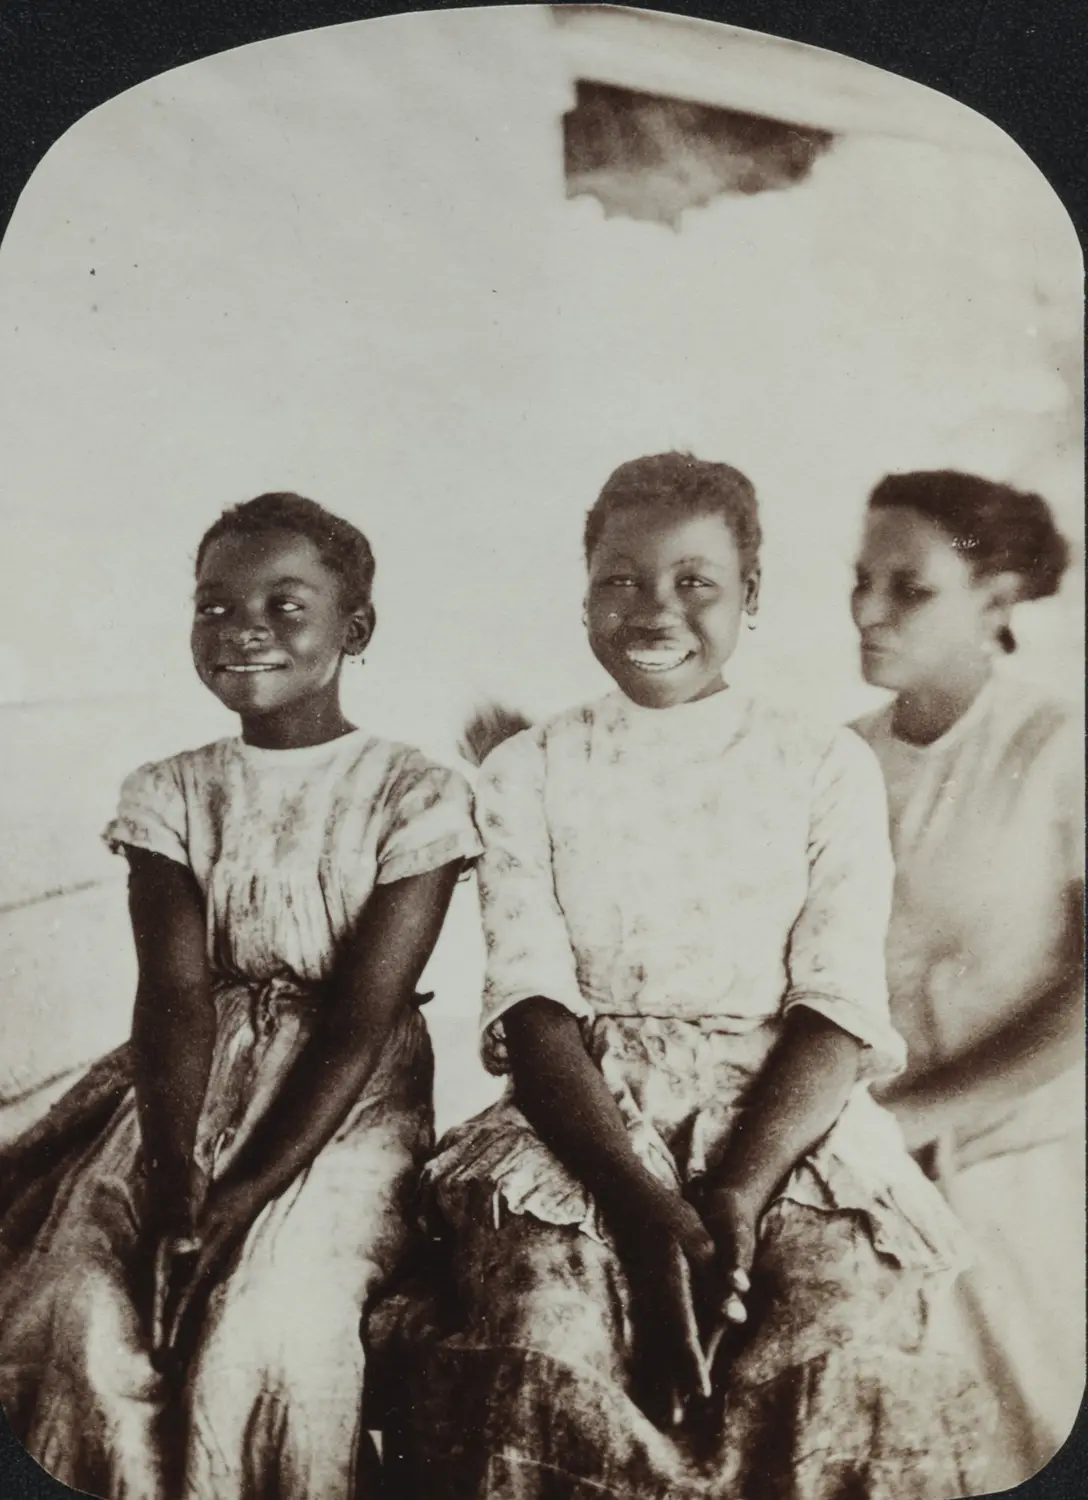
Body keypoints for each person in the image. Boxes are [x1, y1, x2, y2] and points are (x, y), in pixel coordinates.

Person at [388, 453, 992, 1500]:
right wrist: (639, 1207)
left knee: (835, 1322)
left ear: (749, 595)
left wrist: (736, 1195)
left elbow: (836, 1007)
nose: (653, 607)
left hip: (785, 1122)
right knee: (545, 1324)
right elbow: (532, 1006)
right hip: (582, 1115)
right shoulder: (526, 770)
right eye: (619, 579)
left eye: (693, 581)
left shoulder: (823, 765)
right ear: (584, 594)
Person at [0, 492, 480, 1500]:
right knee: (75, 1304)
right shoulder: (169, 792)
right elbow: (174, 995)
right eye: (213, 606)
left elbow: (360, 1021)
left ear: (354, 630)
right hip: (182, 1083)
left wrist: (243, 1193)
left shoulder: (416, 794)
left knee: (269, 1321)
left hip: (345, 1098)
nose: (242, 629)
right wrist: (176, 1173)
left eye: (283, 605)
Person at [851, 470, 1084, 1491]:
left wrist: (918, 1117)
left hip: (1024, 1168)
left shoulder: (1059, 748)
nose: (867, 610)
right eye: (860, 580)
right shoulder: (837, 762)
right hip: (866, 1171)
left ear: (997, 600)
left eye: (909, 589)